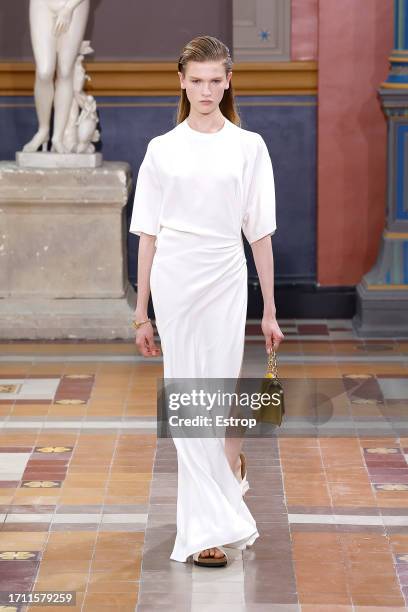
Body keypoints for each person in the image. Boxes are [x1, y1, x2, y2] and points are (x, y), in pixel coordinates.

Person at [129, 35, 284, 567]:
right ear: (181, 82)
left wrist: (269, 309)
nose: (206, 90)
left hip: (224, 275)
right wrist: (141, 311)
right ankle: (204, 532)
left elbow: (259, 232)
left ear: (229, 80)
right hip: (175, 278)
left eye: (216, 79)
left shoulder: (249, 146)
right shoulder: (161, 150)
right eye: (196, 80)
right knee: (187, 397)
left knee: (217, 397)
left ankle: (229, 471)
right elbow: (147, 234)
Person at [23, 0, 90, 153]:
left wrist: (69, 8)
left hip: (75, 5)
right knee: (44, 71)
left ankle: (57, 138)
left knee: (65, 70)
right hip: (43, 4)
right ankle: (43, 130)